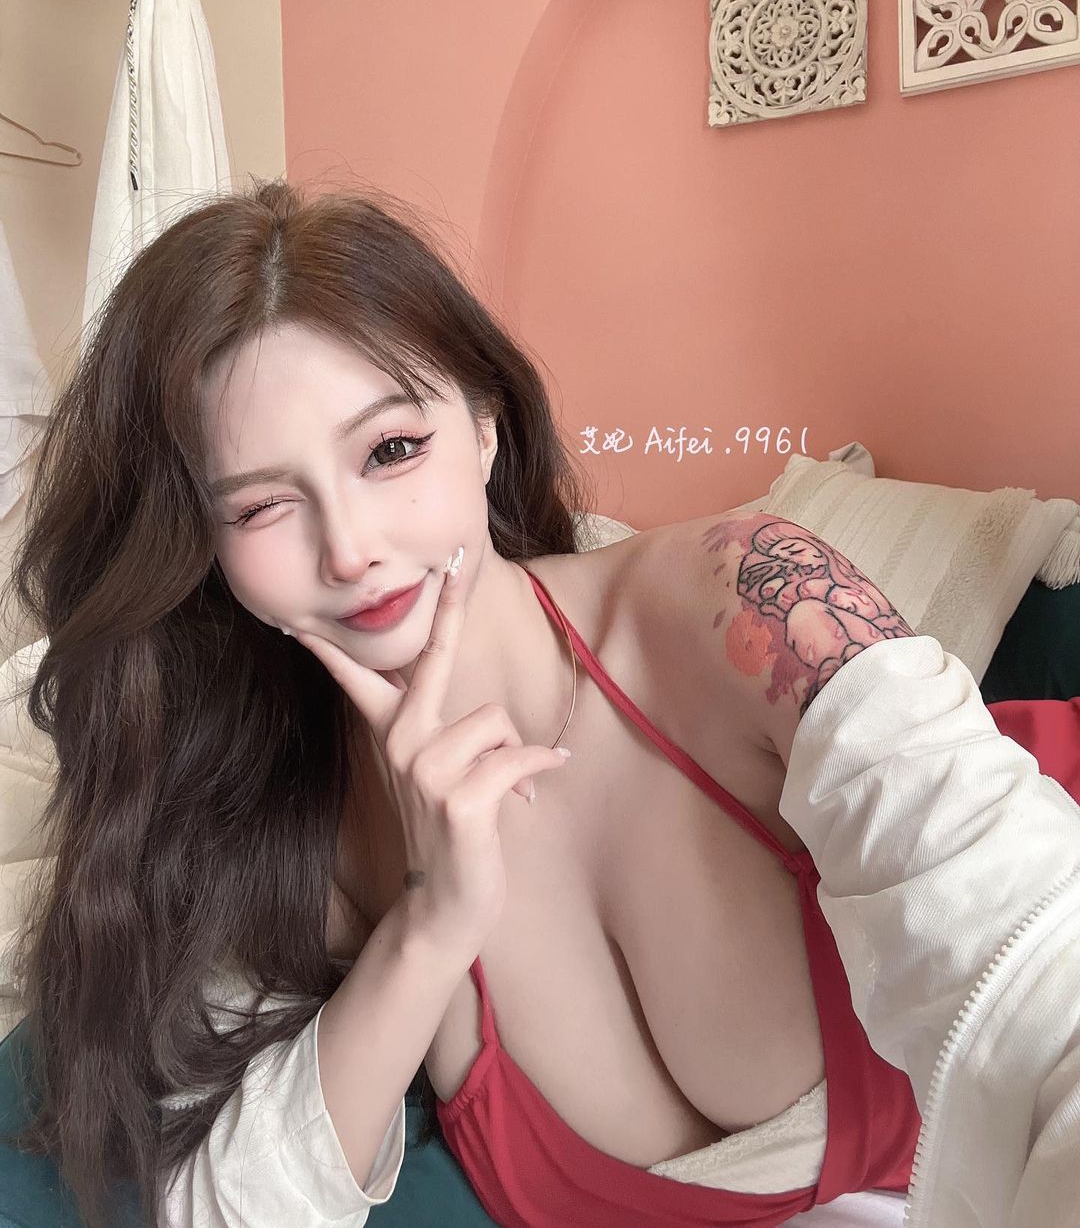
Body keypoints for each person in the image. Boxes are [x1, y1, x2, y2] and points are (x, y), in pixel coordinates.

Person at [1, 178, 1077, 1228]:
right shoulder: (272, 835)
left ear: (485, 426)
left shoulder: (744, 604)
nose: (350, 549)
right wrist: (428, 924)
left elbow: (1042, 968)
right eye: (261, 505)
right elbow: (228, 1202)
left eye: (391, 450)